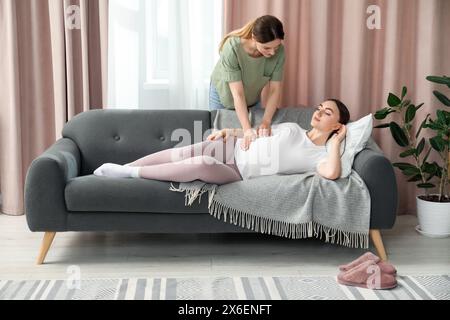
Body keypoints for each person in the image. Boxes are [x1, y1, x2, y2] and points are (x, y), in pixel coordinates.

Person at [93, 99, 350, 184]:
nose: (318, 112)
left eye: (327, 113)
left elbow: (332, 173)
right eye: (319, 107)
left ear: (337, 125)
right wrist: (230, 132)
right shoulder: (293, 127)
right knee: (184, 152)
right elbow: (257, 134)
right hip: (233, 147)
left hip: (238, 170)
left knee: (202, 163)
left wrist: (336, 143)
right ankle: (125, 166)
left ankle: (132, 174)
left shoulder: (320, 156)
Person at [210, 15, 286, 151]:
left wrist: (266, 121)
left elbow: (275, 90)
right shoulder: (232, 48)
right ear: (254, 38)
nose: (273, 52)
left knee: (252, 144)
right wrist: (246, 129)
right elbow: (238, 94)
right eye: (267, 48)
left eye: (276, 46)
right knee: (219, 144)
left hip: (251, 96)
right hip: (224, 94)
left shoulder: (279, 52)